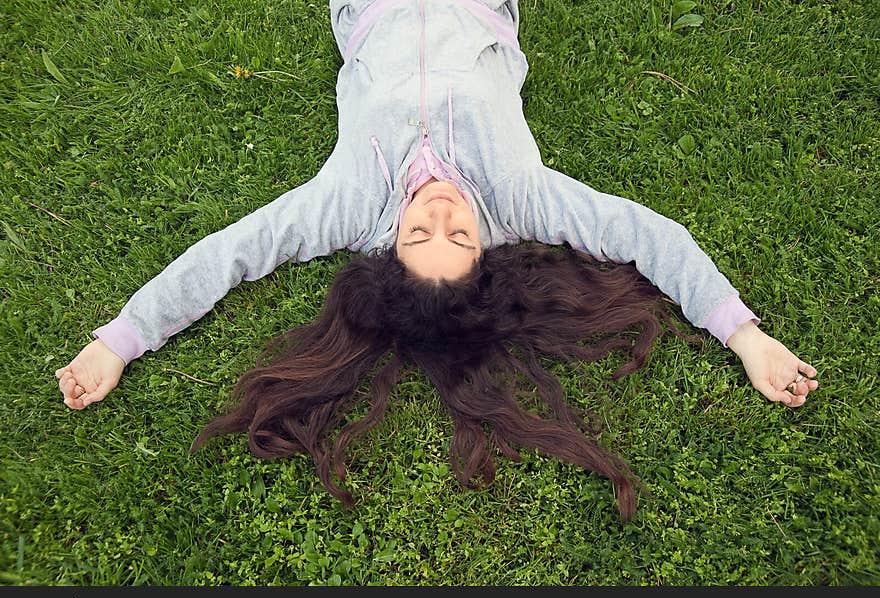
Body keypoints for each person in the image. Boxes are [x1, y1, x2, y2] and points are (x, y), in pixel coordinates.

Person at [54, 0, 818, 521]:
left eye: (421, 237)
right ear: (489, 255)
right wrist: (745, 337)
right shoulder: (522, 198)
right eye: (460, 240)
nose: (443, 217)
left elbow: (229, 254)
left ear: (390, 250)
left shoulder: (350, 205)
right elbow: (651, 236)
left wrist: (117, 341)